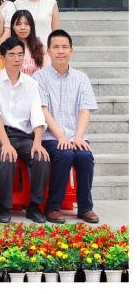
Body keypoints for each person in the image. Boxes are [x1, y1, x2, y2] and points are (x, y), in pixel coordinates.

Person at [0, 37, 51, 224]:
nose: (16, 59)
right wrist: (5, 144)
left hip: (23, 136)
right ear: (2, 57)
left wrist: (37, 142)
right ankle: (4, 208)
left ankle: (34, 207)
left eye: (20, 55)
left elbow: (37, 115)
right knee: (7, 158)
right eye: (12, 55)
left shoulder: (31, 83)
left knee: (41, 158)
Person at [36, 30, 99, 224]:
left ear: (71, 50)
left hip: (75, 135)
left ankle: (85, 208)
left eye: (64, 47)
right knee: (65, 154)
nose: (60, 51)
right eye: (56, 47)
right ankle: (53, 207)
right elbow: (43, 110)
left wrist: (78, 137)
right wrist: (61, 136)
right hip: (50, 136)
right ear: (48, 51)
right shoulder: (40, 77)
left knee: (85, 156)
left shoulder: (81, 78)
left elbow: (85, 110)